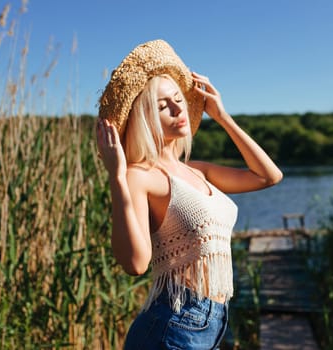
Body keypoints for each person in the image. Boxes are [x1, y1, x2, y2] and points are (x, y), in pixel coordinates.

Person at [96, 39, 282, 350]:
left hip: (214, 321)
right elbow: (135, 264)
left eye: (178, 98)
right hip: (174, 323)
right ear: (145, 118)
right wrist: (117, 177)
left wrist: (222, 117)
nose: (177, 107)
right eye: (161, 105)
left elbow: (268, 176)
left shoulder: (196, 170)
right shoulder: (139, 175)